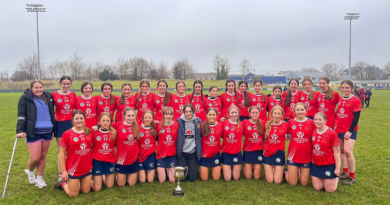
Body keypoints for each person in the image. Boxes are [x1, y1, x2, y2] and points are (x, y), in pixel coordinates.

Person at [17, 80, 55, 188]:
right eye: (36, 88)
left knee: (43, 156)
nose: (38, 90)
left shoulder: (48, 97)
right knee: (35, 158)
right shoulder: (25, 98)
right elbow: (21, 115)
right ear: (31, 88)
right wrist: (20, 130)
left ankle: (39, 179)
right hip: (33, 132)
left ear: (43, 88)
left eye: (40, 87)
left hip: (47, 131)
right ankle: (30, 171)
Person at [56, 110, 92, 197]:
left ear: (85, 120)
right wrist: (63, 171)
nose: (79, 121)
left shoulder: (89, 132)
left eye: (81, 118)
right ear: (72, 121)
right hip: (73, 169)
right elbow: (61, 154)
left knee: (86, 191)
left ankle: (79, 183)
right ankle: (63, 184)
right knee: (73, 194)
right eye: (76, 119)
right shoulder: (67, 134)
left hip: (86, 167)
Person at [335, 80, 362, 185]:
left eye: (347, 88)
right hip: (339, 129)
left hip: (349, 130)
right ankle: (345, 172)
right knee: (341, 151)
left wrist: (350, 131)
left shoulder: (356, 100)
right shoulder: (341, 99)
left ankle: (352, 177)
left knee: (348, 151)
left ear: (351, 88)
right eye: (343, 87)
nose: (345, 90)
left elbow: (356, 118)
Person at [52, 76, 76, 183]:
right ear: (60, 84)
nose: (66, 86)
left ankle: (71, 171)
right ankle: (61, 173)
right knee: (61, 150)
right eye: (64, 84)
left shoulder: (73, 94)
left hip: (71, 123)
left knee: (72, 149)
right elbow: (49, 108)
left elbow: (76, 109)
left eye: (68, 84)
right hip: (60, 124)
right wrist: (53, 115)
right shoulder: (54, 94)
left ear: (71, 84)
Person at [285, 103, 315, 186]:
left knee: (304, 183)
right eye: (298, 110)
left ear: (305, 111)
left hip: (306, 156)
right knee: (292, 183)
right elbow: (286, 136)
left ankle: (297, 172)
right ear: (294, 111)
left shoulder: (311, 122)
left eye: (302, 110)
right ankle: (286, 173)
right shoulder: (291, 122)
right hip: (293, 155)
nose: (300, 112)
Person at [311, 112, 341, 192]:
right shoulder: (313, 131)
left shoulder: (332, 133)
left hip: (328, 164)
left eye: (320, 119)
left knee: (329, 190)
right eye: (315, 119)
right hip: (316, 164)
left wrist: (337, 168)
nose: (317, 121)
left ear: (325, 121)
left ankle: (336, 179)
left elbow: (337, 152)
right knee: (318, 188)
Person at [112, 107, 140, 187]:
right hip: (121, 159)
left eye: (132, 116)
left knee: (132, 184)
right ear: (124, 116)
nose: (131, 118)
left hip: (133, 158)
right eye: (128, 116)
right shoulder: (117, 125)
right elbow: (105, 125)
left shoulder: (137, 126)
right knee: (121, 185)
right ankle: (118, 176)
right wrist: (97, 126)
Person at [176, 103, 202, 182]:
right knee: (183, 179)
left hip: (193, 153)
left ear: (193, 112)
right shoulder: (179, 121)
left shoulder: (198, 121)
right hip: (182, 153)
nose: (188, 113)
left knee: (192, 178)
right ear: (183, 112)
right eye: (186, 112)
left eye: (190, 111)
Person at [91, 113, 116, 191]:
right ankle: (87, 180)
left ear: (110, 122)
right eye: (103, 120)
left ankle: (103, 175)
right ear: (99, 122)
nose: (105, 122)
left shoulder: (114, 132)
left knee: (109, 186)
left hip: (110, 161)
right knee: (97, 188)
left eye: (107, 121)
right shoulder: (94, 132)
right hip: (98, 161)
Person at [263, 106, 288, 184]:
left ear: (282, 115)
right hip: (268, 153)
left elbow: (290, 135)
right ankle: (274, 169)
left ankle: (285, 171)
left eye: (279, 114)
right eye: (275, 113)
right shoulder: (266, 125)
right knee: (270, 181)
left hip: (279, 153)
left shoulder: (286, 125)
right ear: (271, 114)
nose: (277, 115)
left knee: (277, 181)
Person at [199, 108, 223, 181]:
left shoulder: (220, 125)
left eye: (213, 115)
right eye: (210, 115)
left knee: (216, 178)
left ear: (216, 116)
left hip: (215, 154)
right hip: (204, 155)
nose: (211, 116)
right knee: (204, 179)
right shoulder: (202, 125)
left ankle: (221, 167)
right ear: (206, 115)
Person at [242, 107, 266, 180]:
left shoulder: (263, 123)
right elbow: (242, 135)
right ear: (249, 114)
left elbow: (265, 137)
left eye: (256, 113)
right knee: (248, 177)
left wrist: (264, 147)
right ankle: (245, 166)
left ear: (259, 114)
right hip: (248, 151)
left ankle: (252, 166)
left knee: (257, 177)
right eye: (253, 113)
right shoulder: (245, 122)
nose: (255, 114)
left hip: (258, 151)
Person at [156, 107, 178, 183]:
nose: (168, 116)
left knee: (172, 180)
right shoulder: (158, 125)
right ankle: (164, 168)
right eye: (166, 114)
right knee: (162, 180)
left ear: (173, 115)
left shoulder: (176, 125)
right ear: (163, 115)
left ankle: (168, 168)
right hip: (161, 156)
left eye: (170, 114)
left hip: (172, 156)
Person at [221, 106, 243, 181]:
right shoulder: (224, 123)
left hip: (237, 152)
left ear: (238, 114)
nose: (234, 114)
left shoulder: (241, 124)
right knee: (227, 179)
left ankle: (230, 167)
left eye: (235, 112)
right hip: (226, 152)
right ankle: (225, 167)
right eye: (232, 112)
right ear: (229, 114)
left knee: (236, 178)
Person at [138, 110, 157, 183]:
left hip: (150, 155)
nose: (147, 119)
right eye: (145, 117)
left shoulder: (155, 127)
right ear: (142, 118)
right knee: (142, 181)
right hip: (141, 155)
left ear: (152, 119)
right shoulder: (138, 127)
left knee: (150, 180)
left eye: (149, 117)